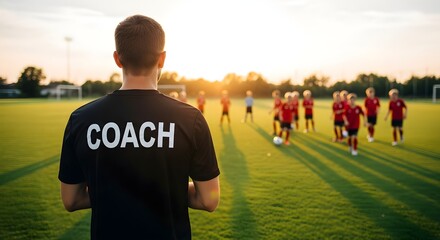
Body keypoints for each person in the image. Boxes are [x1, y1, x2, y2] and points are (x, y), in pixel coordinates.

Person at [58, 15, 220, 240]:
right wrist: (160, 189)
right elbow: (208, 199)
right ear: (162, 59)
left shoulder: (81, 119)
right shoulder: (190, 119)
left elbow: (71, 199)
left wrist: (120, 190)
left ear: (117, 59)